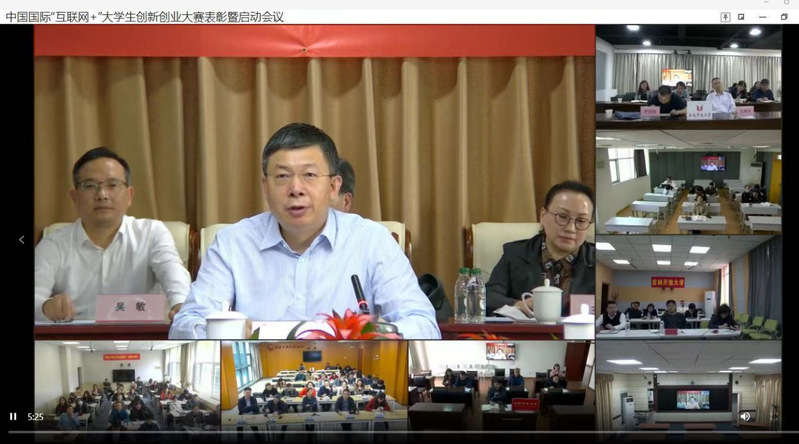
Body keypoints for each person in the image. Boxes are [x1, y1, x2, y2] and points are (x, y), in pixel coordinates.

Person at [170, 123, 440, 340]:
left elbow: (423, 323)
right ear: (265, 187)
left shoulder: (372, 241)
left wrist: (378, 335)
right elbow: (184, 324)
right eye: (282, 176)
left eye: (309, 175)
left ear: (333, 187)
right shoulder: (233, 243)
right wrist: (224, 333)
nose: (295, 189)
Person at [35, 147, 190, 323]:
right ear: (75, 198)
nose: (102, 195)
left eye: (113, 185)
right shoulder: (54, 244)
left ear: (129, 195)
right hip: (75, 337)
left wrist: (181, 304)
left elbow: (172, 271)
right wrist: (45, 307)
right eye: (90, 186)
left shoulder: (152, 233)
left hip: (139, 335)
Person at [486, 181, 596, 317]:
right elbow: (489, 297)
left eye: (581, 221)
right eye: (562, 217)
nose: (570, 228)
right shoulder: (515, 254)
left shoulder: (597, 260)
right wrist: (517, 305)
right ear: (543, 215)